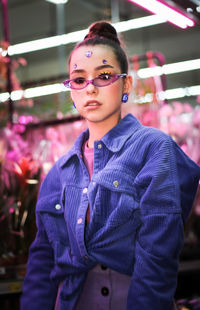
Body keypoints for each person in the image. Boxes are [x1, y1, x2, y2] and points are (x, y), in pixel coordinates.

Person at [20, 21, 200, 310]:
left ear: (126, 84)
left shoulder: (153, 149)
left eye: (104, 76)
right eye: (79, 79)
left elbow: (157, 259)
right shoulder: (60, 172)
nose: (90, 88)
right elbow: (42, 264)